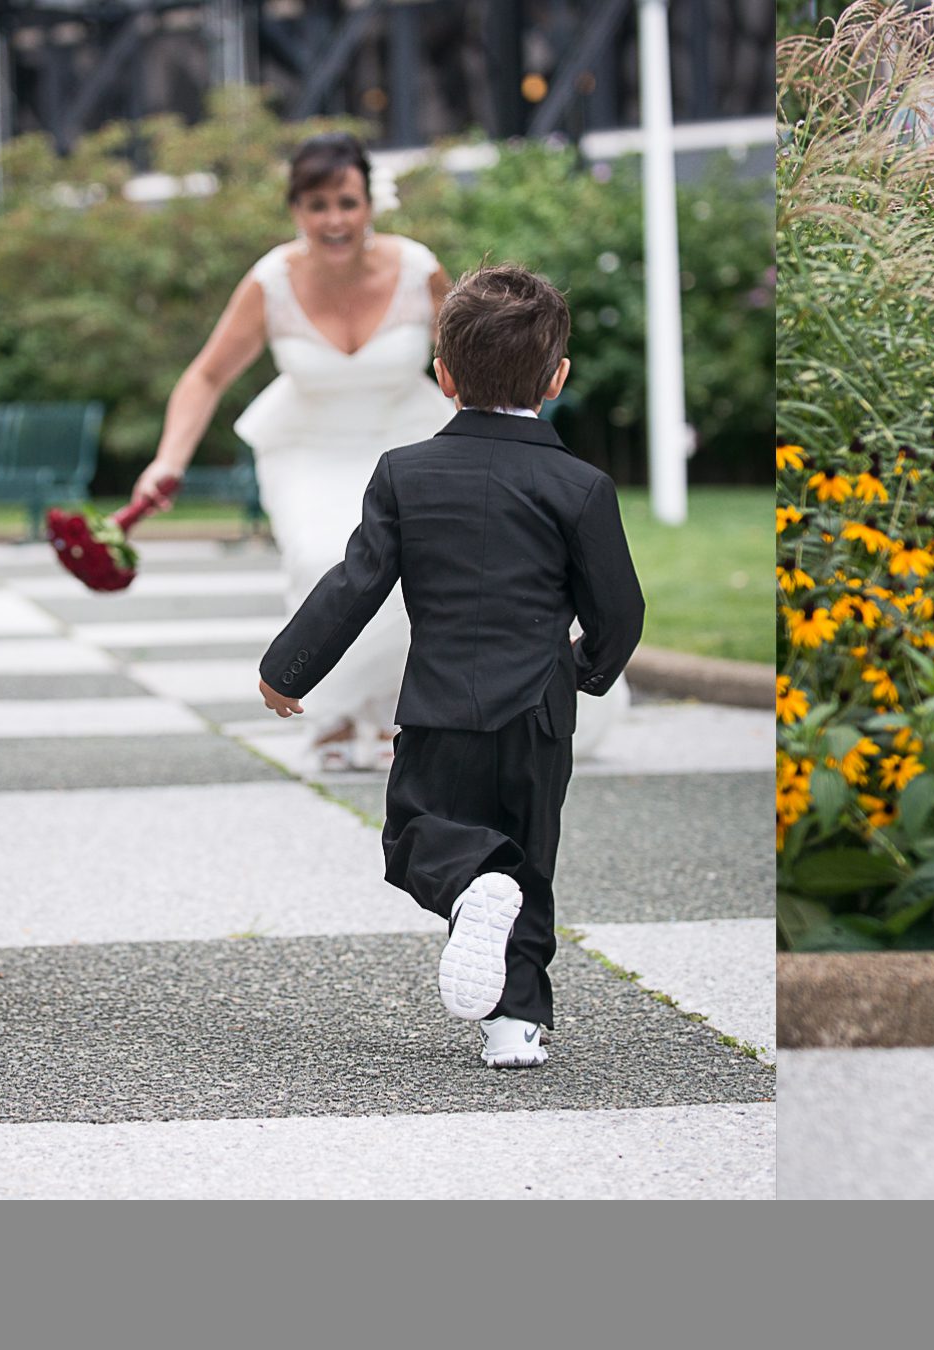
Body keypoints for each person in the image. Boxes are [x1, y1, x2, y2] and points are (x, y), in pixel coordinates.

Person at [255, 264, 645, 1069]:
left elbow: (355, 584)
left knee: (414, 838)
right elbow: (619, 611)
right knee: (527, 861)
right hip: (538, 713)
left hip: (436, 711)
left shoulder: (406, 473)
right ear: (558, 378)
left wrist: (287, 670)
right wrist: (585, 670)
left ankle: (468, 885)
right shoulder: (580, 486)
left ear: (443, 378)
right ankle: (516, 1026)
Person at [135, 132, 627, 770]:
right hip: (307, 447)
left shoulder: (417, 268)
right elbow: (205, 377)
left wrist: (500, 450)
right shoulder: (270, 282)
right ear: (296, 210)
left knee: (424, 564)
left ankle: (409, 716)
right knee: (323, 556)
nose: (334, 220)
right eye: (317, 205)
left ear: (369, 203)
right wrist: (167, 461)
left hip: (408, 434)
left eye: (347, 202)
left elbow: (473, 357)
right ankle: (334, 716)